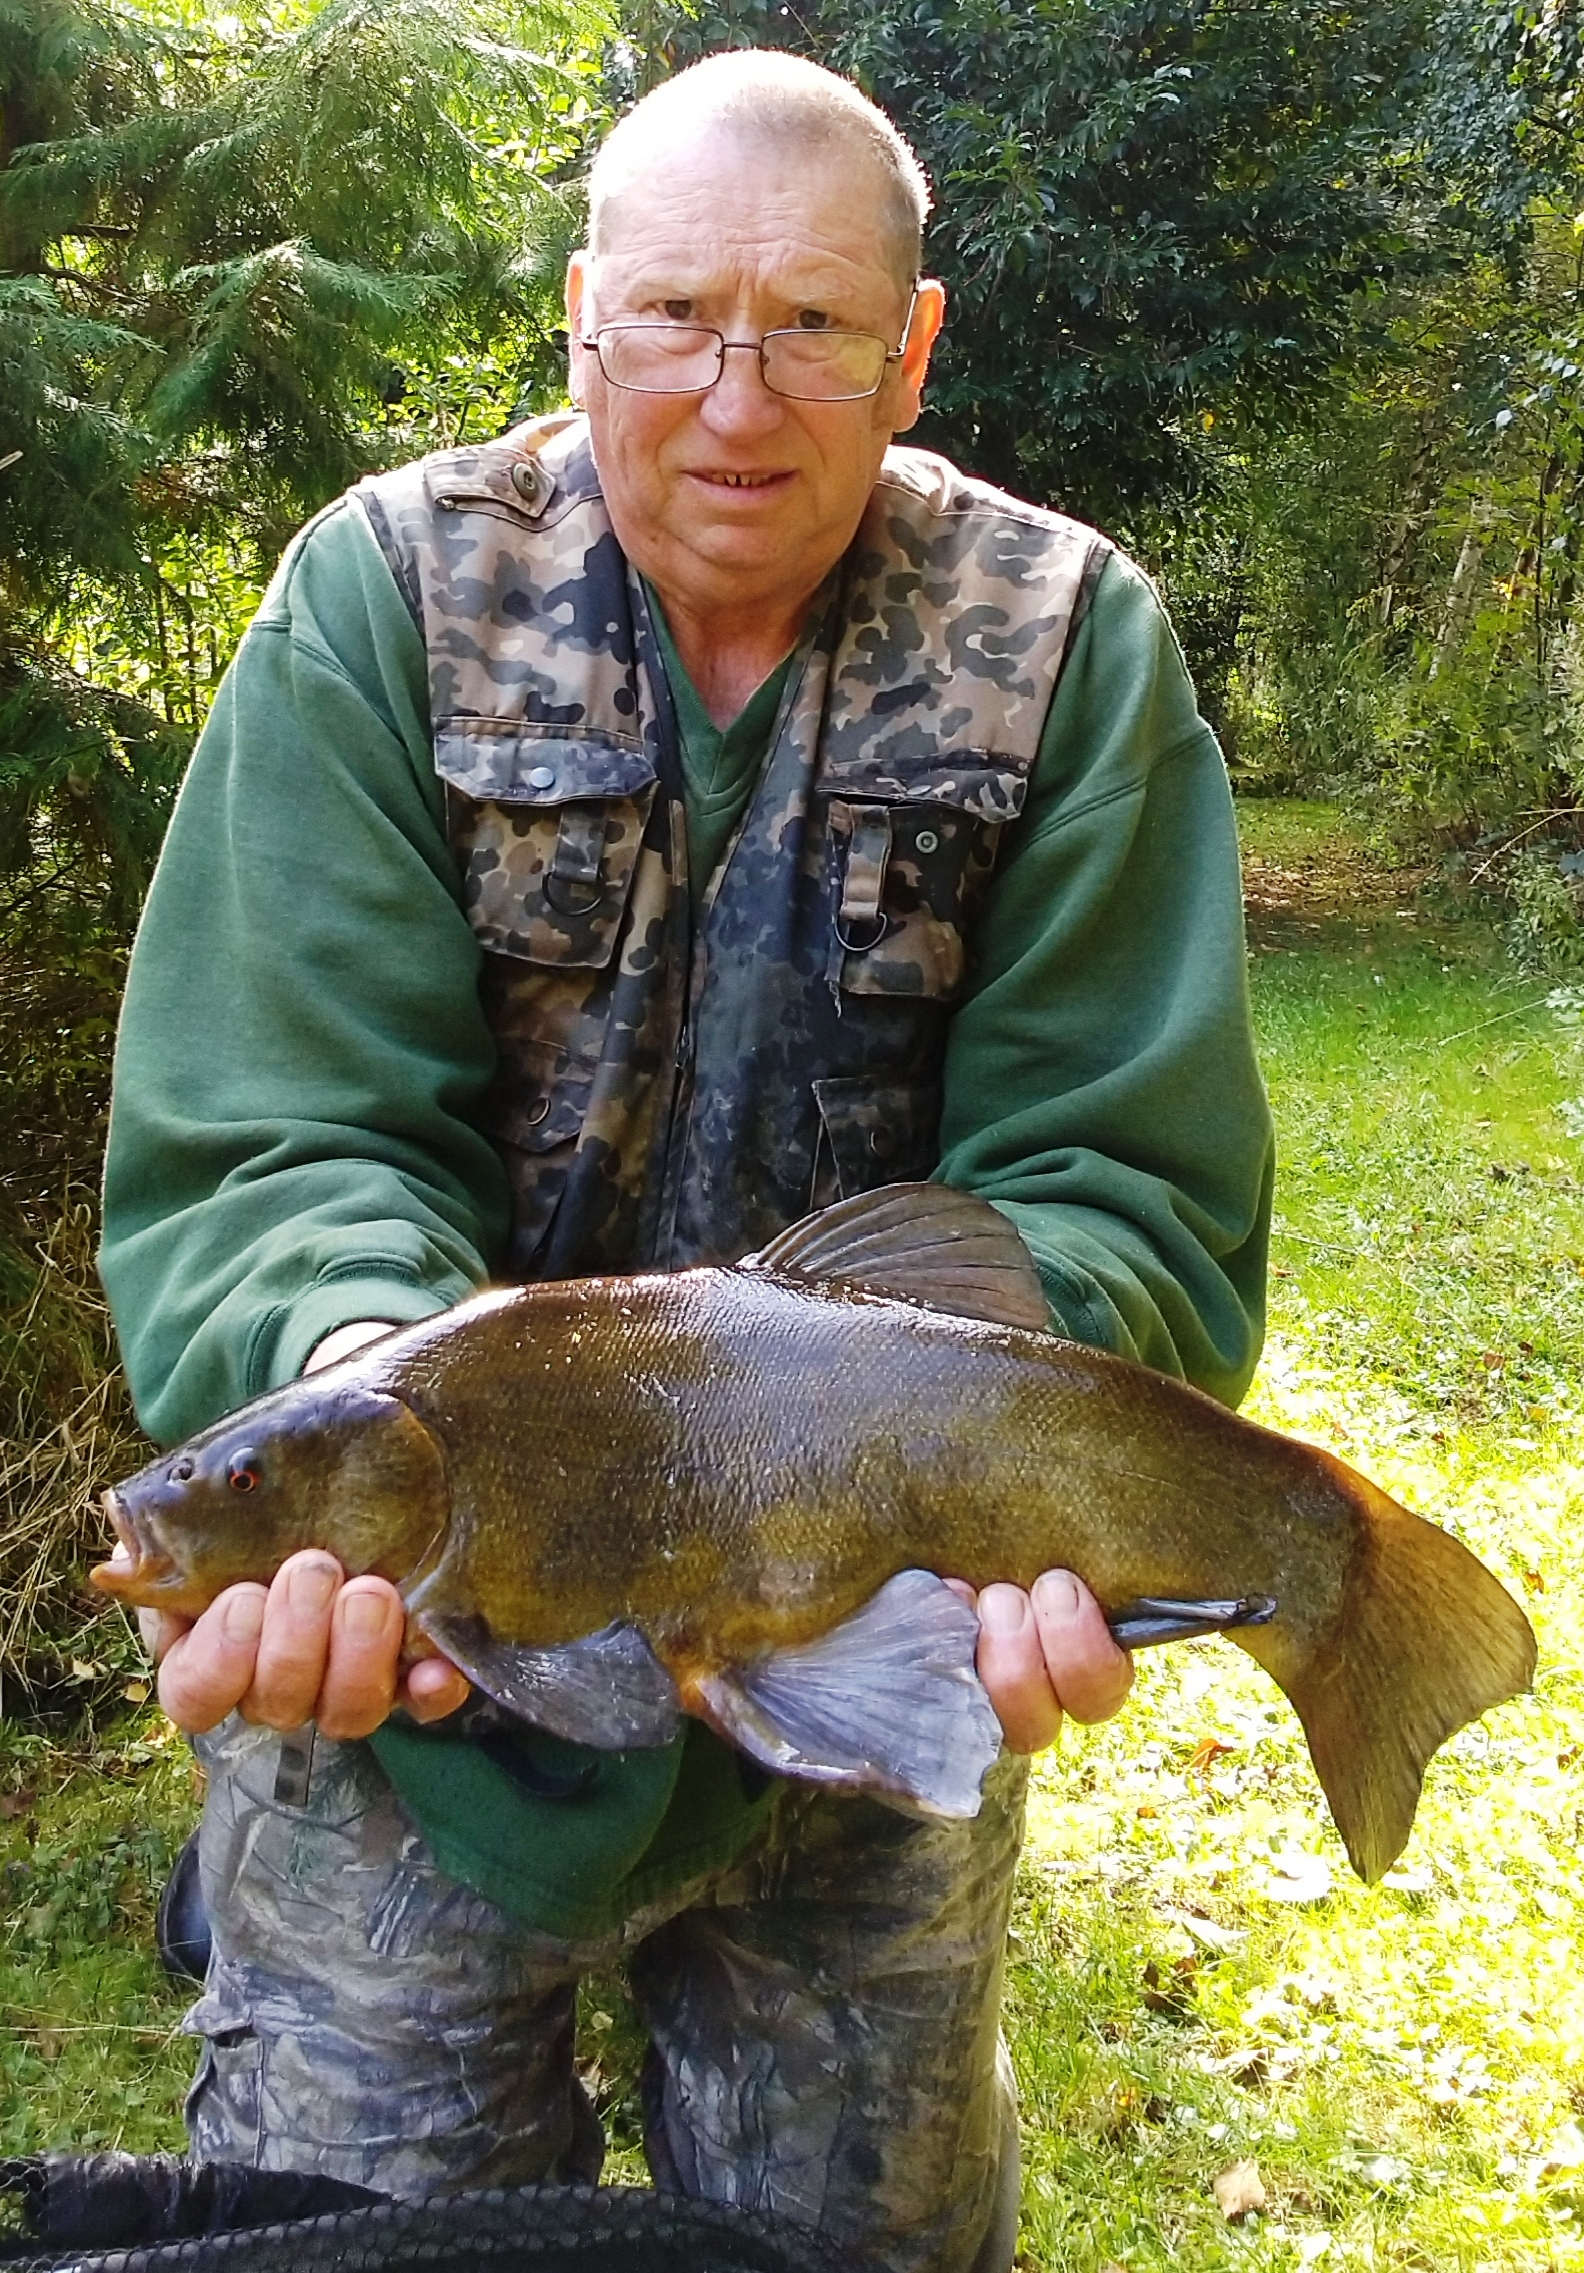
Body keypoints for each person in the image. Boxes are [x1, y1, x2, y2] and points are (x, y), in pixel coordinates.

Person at [99, 49, 1273, 2273]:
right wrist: (367, 1438)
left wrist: (1010, 1483)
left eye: (815, 325)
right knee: (366, 2239)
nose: (739, 393)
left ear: (910, 348)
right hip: (420, 1701)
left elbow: (1122, 1181)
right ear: (581, 315)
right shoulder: (381, 597)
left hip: (874, 1660)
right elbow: (273, 1133)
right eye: (674, 316)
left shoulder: (1066, 643)